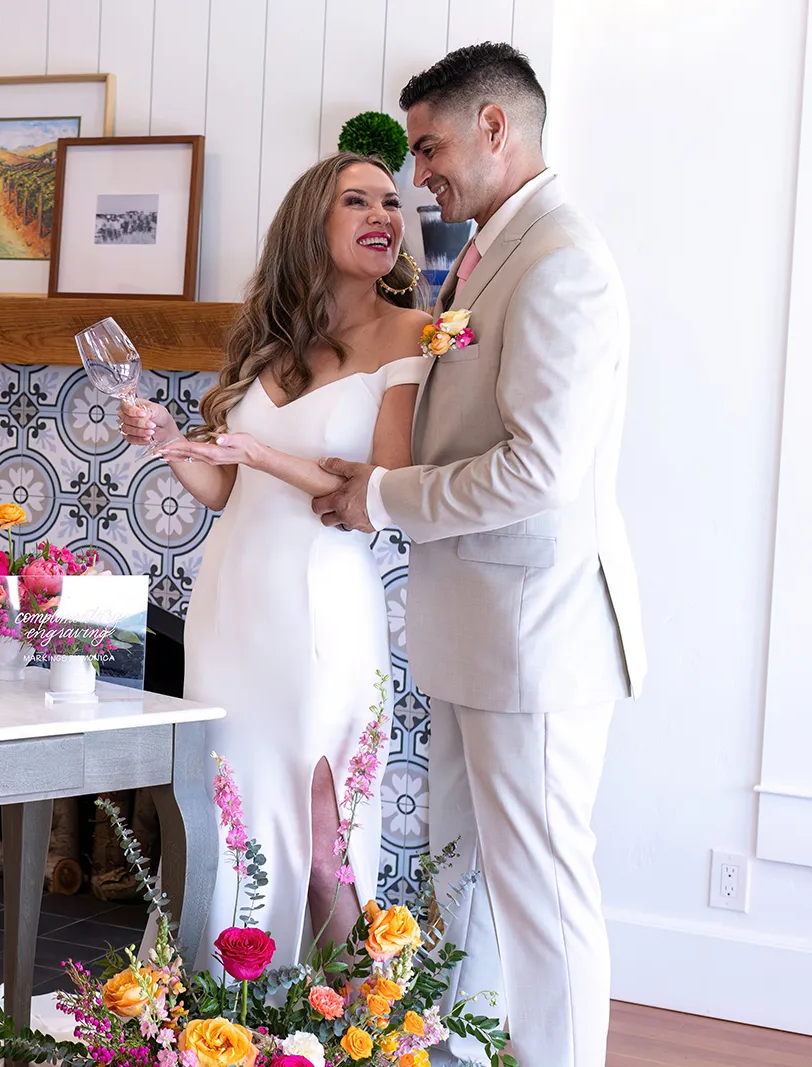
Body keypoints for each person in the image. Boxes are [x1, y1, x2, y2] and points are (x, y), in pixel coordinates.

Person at [313, 44, 645, 1067]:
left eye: (428, 148)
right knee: (460, 877)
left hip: (534, 634)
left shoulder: (560, 261)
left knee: (542, 895)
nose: (418, 175)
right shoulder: (487, 252)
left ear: (494, 128)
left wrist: (383, 496)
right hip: (475, 630)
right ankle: (461, 1049)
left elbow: (539, 469)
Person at [121, 151, 433, 966]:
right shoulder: (270, 340)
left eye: (391, 202)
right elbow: (225, 488)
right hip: (231, 604)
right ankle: (213, 1008)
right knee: (229, 810)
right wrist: (168, 440)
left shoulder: (407, 332)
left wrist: (262, 454)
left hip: (322, 606)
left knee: (326, 834)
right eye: (358, 201)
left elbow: (382, 484)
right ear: (310, 223)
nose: (384, 215)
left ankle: (353, 1016)